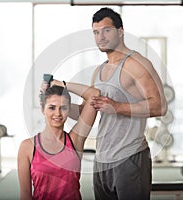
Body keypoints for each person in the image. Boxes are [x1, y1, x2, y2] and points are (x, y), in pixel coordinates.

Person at [40, 7, 167, 200]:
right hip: (102, 159)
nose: (101, 37)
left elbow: (160, 106)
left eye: (106, 30)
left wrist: (117, 107)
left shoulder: (137, 64)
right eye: (96, 32)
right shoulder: (99, 71)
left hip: (129, 155)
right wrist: (58, 105)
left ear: (120, 31)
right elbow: (85, 111)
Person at [18, 81, 100, 200]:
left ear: (69, 110)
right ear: (43, 109)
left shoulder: (75, 140)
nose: (58, 113)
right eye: (52, 107)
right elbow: (25, 194)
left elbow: (95, 94)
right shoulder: (27, 147)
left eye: (63, 108)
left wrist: (63, 83)